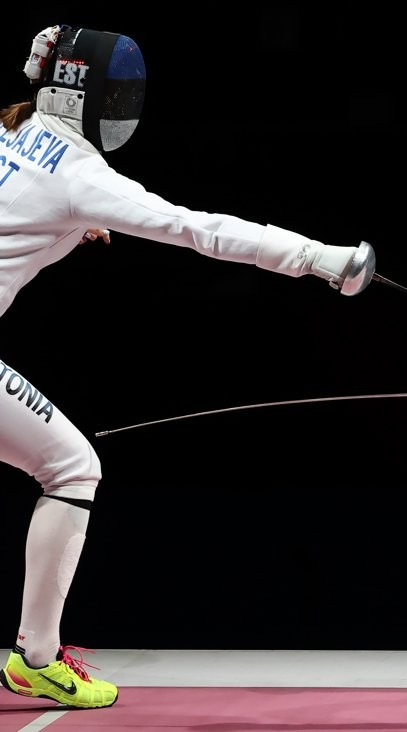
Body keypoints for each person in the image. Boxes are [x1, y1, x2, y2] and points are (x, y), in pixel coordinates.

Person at [0, 24, 376, 709]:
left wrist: (61, 222)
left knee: (69, 464)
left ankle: (38, 656)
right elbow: (196, 228)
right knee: (72, 468)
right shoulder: (80, 175)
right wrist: (319, 257)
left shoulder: (14, 136)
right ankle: (36, 658)